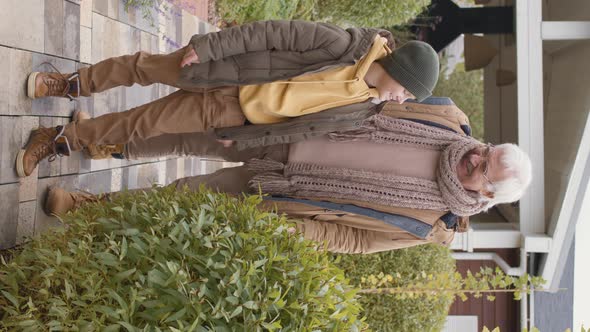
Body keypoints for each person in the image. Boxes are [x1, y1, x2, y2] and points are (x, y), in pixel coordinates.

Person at [44, 97, 533, 254]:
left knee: (182, 196)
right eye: (484, 150)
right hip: (285, 129)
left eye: (481, 168)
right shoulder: (449, 119)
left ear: (486, 194)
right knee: (188, 134)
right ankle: (100, 140)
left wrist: (295, 230)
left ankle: (89, 208)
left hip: (284, 192)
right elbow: (377, 100)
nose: (472, 156)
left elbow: (355, 241)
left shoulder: (431, 225)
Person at [16, 20, 440, 178]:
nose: (401, 100)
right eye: (406, 90)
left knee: (140, 125)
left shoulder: (361, 108)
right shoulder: (343, 44)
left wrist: (242, 139)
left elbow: (297, 125)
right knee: (144, 67)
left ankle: (58, 139)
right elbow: (273, 33)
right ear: (400, 73)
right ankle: (69, 83)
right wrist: (213, 46)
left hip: (233, 109)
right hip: (224, 68)